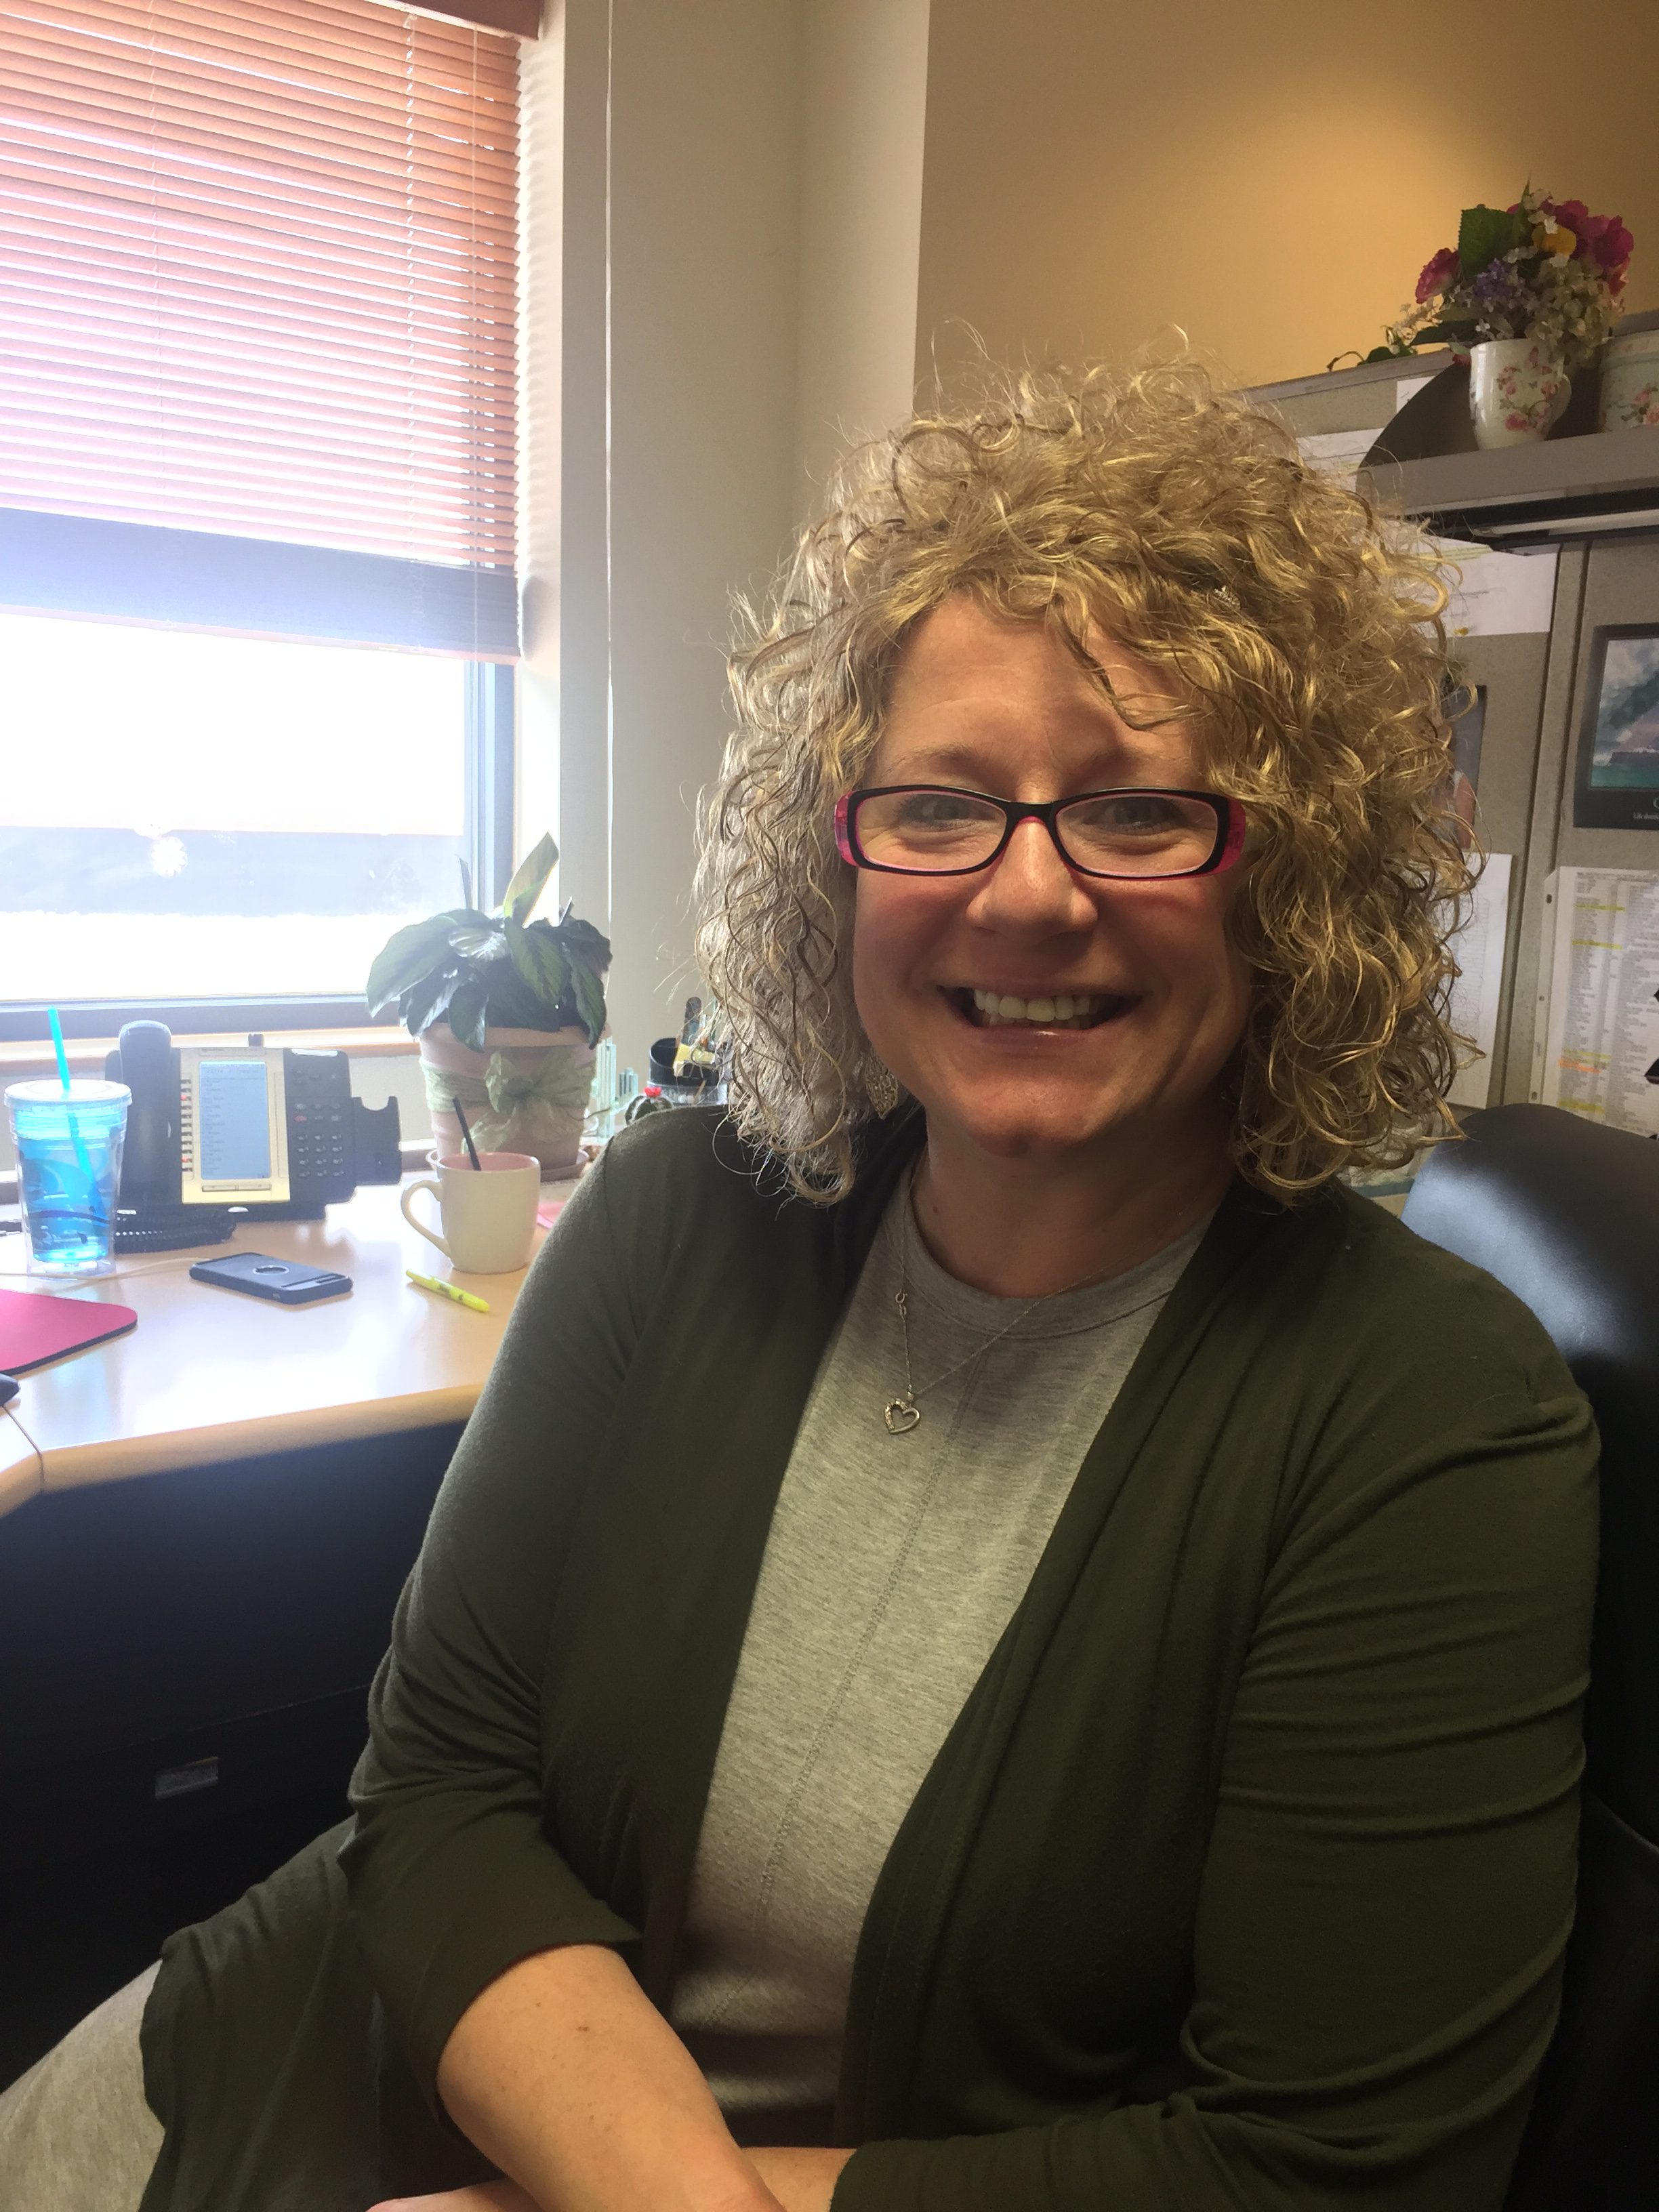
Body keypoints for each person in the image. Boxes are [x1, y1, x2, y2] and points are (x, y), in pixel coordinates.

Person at [0, 363, 1596, 2212]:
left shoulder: (1420, 1418)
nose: (1024, 895)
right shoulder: (676, 1219)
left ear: (1287, 878)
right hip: (274, 2081)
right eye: (938, 808)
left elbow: (1340, 2173)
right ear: (834, 861)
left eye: (1139, 812)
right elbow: (433, 1795)